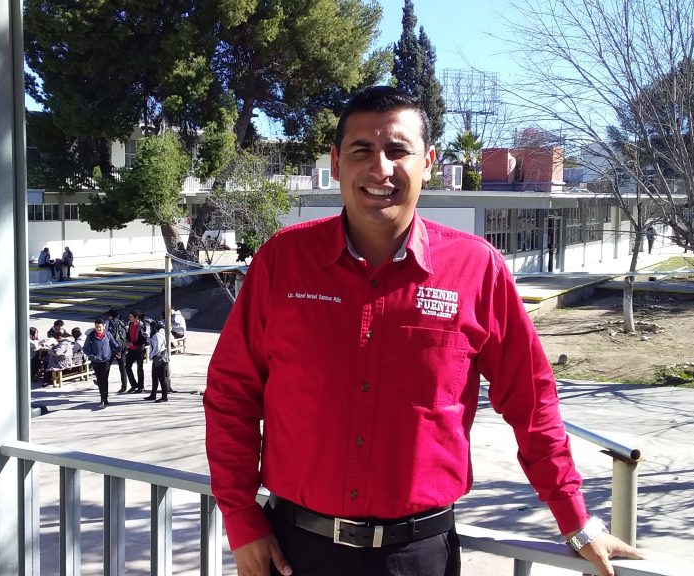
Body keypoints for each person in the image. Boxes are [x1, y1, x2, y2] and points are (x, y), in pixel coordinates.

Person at [204, 86, 642, 576]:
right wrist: (241, 520)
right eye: (362, 150)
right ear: (336, 162)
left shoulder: (477, 270)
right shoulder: (282, 261)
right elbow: (231, 394)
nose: (380, 169)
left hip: (418, 557)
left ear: (428, 162)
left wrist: (575, 518)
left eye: (398, 150)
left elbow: (531, 400)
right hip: (293, 553)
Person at [82, 318, 122, 408]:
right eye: (96, 327)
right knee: (100, 380)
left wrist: (120, 349)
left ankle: (104, 399)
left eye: (100, 327)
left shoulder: (107, 334)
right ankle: (103, 398)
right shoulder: (91, 336)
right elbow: (85, 349)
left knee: (104, 379)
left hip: (106, 360)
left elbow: (114, 344)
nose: (98, 329)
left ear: (103, 326)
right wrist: (92, 356)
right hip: (96, 362)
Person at [145, 319, 171, 403]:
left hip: (159, 358)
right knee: (155, 377)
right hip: (159, 358)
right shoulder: (160, 334)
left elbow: (157, 348)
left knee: (161, 378)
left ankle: (164, 397)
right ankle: (153, 394)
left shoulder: (157, 335)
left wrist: (151, 355)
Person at [123, 310, 148, 393]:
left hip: (139, 349)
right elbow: (128, 334)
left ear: (136, 317)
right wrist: (127, 340)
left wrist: (132, 343)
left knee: (139, 368)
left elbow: (143, 340)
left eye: (131, 316)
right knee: (127, 367)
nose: (129, 318)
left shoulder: (142, 326)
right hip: (131, 349)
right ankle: (134, 385)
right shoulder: (130, 324)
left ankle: (141, 386)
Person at [106, 309, 129, 393]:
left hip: (113, 348)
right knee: (122, 367)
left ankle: (102, 381)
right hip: (122, 347)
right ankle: (124, 386)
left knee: (106, 365)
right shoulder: (122, 323)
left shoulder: (111, 323)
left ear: (110, 316)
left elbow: (110, 336)